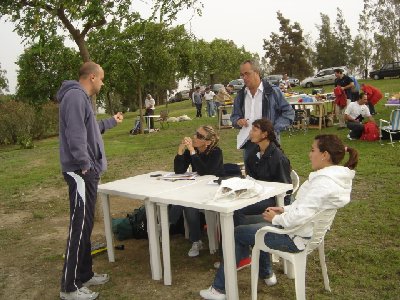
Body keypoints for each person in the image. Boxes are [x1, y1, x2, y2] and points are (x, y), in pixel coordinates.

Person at [200, 134, 358, 300]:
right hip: (303, 233)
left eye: (313, 150)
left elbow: (300, 216)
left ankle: (218, 289)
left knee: (238, 232)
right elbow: (306, 207)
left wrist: (276, 219)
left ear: (325, 155)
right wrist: (283, 209)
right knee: (251, 226)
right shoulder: (334, 178)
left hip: (294, 237)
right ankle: (266, 273)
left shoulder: (323, 183)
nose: (309, 154)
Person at [58, 62, 123, 300]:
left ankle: (83, 274)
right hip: (80, 172)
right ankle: (69, 288)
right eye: (102, 79)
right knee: (79, 227)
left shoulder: (80, 99)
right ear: (92, 77)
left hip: (86, 172)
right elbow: (75, 136)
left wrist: (111, 122)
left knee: (85, 225)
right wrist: (85, 165)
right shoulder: (75, 97)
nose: (103, 83)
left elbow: (90, 129)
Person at [169, 125, 224, 257]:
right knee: (187, 203)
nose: (195, 137)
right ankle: (196, 240)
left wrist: (192, 152)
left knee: (188, 203)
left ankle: (167, 225)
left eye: (200, 136)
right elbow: (179, 171)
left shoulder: (216, 152)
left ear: (208, 142)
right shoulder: (192, 151)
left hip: (213, 191)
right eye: (196, 134)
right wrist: (181, 151)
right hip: (196, 189)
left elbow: (205, 172)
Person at [230, 59, 294, 162]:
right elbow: (234, 116)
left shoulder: (273, 92)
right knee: (250, 176)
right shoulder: (240, 95)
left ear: (257, 72)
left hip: (269, 143)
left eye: (247, 74)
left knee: (271, 175)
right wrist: (238, 121)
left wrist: (272, 129)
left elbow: (289, 113)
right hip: (248, 144)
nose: (244, 78)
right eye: (242, 75)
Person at [234, 118, 292, 227]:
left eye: (255, 130)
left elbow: (286, 188)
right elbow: (251, 178)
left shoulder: (278, 158)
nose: (251, 132)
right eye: (251, 129)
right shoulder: (253, 153)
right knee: (233, 202)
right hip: (257, 194)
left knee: (237, 209)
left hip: (274, 198)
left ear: (264, 134)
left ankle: (242, 235)